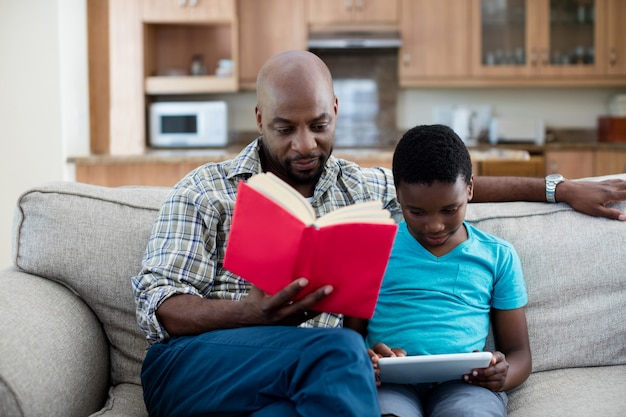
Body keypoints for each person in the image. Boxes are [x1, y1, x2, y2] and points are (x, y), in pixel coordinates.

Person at [131, 50, 626, 417]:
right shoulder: (203, 191)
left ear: (336, 113)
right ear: (260, 119)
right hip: (194, 369)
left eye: (318, 125)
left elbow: (447, 185)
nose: (305, 144)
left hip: (309, 379)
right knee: (341, 353)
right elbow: (157, 303)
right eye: (285, 129)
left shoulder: (359, 187)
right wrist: (250, 313)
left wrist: (558, 188)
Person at [344, 124, 531, 417]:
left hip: (466, 385)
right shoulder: (371, 251)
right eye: (416, 212)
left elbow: (519, 353)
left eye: (449, 209)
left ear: (469, 188)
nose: (434, 226)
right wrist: (364, 359)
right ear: (399, 195)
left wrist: (502, 374)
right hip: (391, 385)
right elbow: (349, 338)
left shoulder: (498, 256)